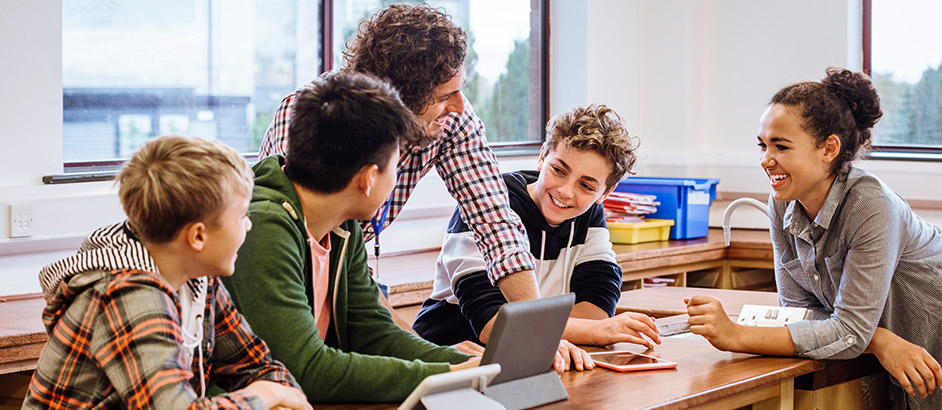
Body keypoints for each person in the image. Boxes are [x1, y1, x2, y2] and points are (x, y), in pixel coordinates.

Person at [258, 4, 539, 335]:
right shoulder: (316, 116)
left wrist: (534, 331)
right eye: (444, 95)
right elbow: (301, 241)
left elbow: (495, 221)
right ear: (397, 102)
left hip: (355, 273)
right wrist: (428, 357)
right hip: (290, 275)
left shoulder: (452, 119)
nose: (460, 106)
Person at [685, 67, 942, 410]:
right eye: (763, 145)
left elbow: (849, 331)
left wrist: (735, 334)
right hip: (901, 361)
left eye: (781, 146)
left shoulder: (871, 206)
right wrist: (876, 338)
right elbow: (799, 314)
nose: (766, 159)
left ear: (829, 148)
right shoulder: (782, 204)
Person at [221, 71, 477, 404]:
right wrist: (443, 376)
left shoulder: (342, 224)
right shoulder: (263, 229)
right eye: (396, 163)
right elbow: (305, 370)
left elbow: (373, 330)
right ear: (369, 178)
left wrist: (468, 365)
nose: (397, 175)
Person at [24, 136, 311, 410]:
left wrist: (278, 394)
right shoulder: (126, 294)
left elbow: (256, 366)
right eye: (241, 217)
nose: (248, 226)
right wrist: (265, 395)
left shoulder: (198, 276)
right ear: (197, 237)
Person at [413, 104, 662, 370]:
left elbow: (596, 308)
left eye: (586, 185)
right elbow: (491, 324)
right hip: (447, 359)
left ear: (605, 193)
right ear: (543, 155)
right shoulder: (489, 204)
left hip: (528, 358)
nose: (566, 191)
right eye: (559, 170)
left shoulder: (590, 215)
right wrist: (590, 331)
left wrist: (559, 331)